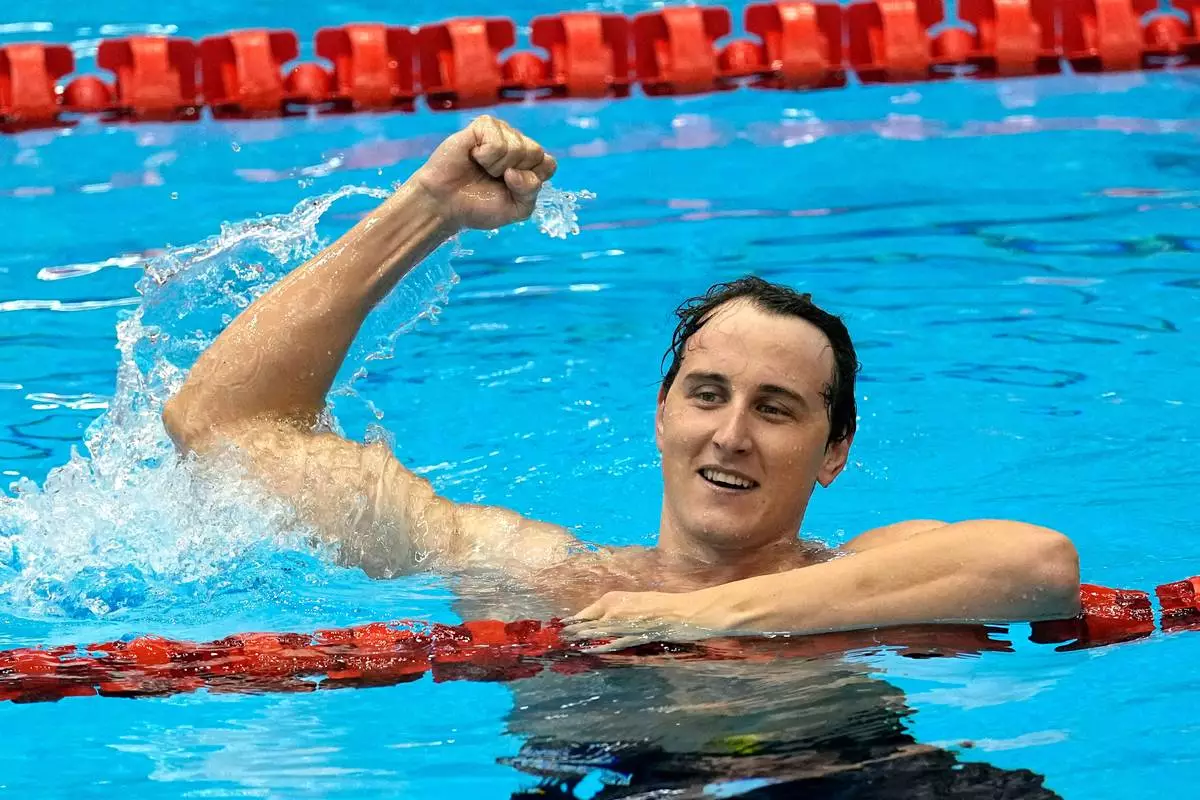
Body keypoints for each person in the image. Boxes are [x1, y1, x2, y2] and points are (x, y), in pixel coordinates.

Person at [162, 115, 1082, 651]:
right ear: (661, 416)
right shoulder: (531, 575)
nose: (731, 436)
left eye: (777, 408)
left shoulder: (866, 572)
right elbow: (219, 424)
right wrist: (424, 213)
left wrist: (711, 615)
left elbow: (1040, 567)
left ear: (833, 452)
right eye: (709, 394)